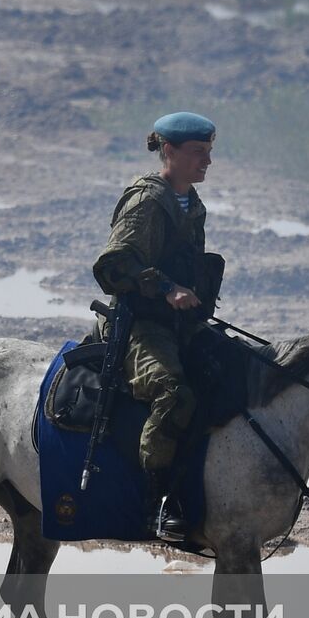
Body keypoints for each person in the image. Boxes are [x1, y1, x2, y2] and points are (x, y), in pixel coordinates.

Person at [91, 111, 216, 542]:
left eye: (209, 152)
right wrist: (165, 288)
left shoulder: (190, 204)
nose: (207, 162)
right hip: (139, 326)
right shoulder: (147, 201)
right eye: (198, 152)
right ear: (169, 151)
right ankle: (157, 503)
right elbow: (113, 265)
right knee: (173, 393)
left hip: (177, 323)